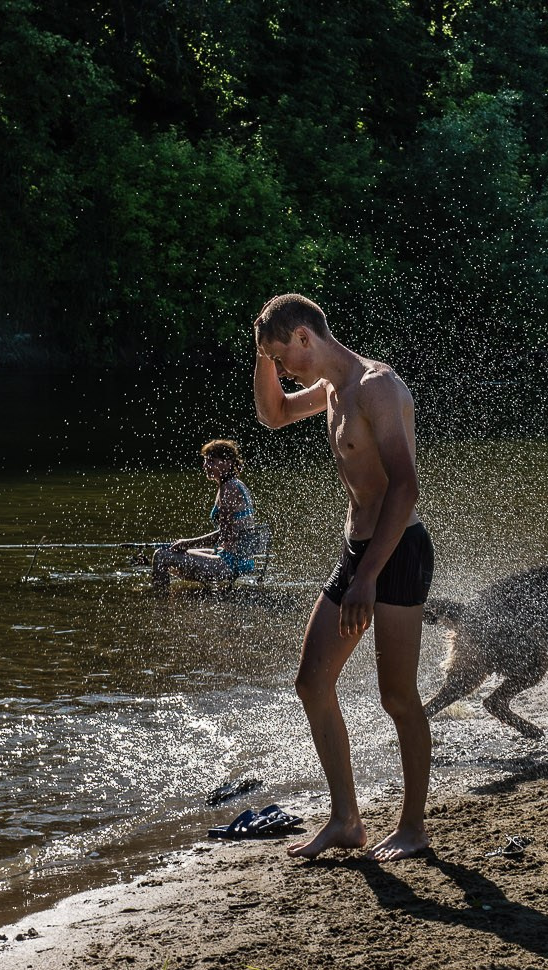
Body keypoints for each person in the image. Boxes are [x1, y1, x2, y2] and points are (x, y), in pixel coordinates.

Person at [252, 293, 434, 862]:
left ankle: (412, 827)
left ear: (306, 337)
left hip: (397, 551)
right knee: (312, 682)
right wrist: (261, 350)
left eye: (283, 357)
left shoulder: (376, 386)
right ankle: (346, 819)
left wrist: (369, 578)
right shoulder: (332, 390)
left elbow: (405, 488)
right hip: (357, 553)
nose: (282, 370)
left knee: (397, 696)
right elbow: (274, 413)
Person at [151, 439, 261, 587]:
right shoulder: (235, 484)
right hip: (236, 558)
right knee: (172, 551)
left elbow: (225, 534)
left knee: (161, 556)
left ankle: (160, 602)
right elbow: (229, 534)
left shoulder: (229, 489)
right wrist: (186, 546)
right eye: (205, 461)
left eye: (212, 461)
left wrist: (186, 543)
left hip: (230, 564)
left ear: (227, 462)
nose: (206, 466)